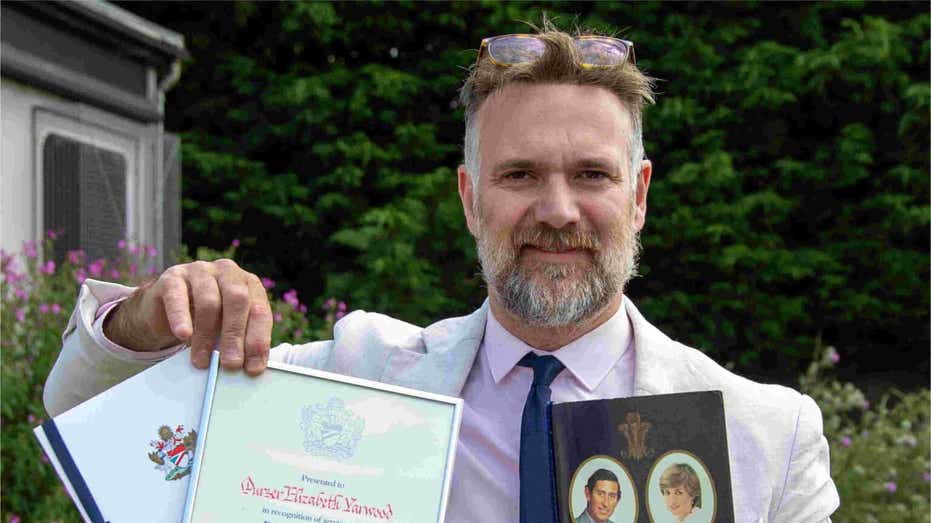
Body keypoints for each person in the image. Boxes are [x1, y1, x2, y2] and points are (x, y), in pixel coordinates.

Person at [43, 23, 839, 523]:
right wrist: (146, 317)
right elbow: (87, 417)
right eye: (519, 174)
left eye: (592, 176)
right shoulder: (354, 378)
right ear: (469, 198)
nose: (557, 210)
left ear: (637, 197)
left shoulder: (762, 434)